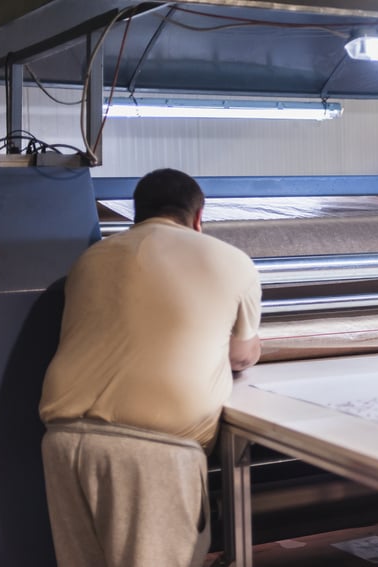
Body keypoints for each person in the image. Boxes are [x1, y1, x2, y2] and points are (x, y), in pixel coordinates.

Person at [38, 168, 262, 567]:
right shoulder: (231, 260)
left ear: (136, 215)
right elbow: (241, 355)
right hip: (151, 453)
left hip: (64, 443)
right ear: (198, 218)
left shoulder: (90, 259)